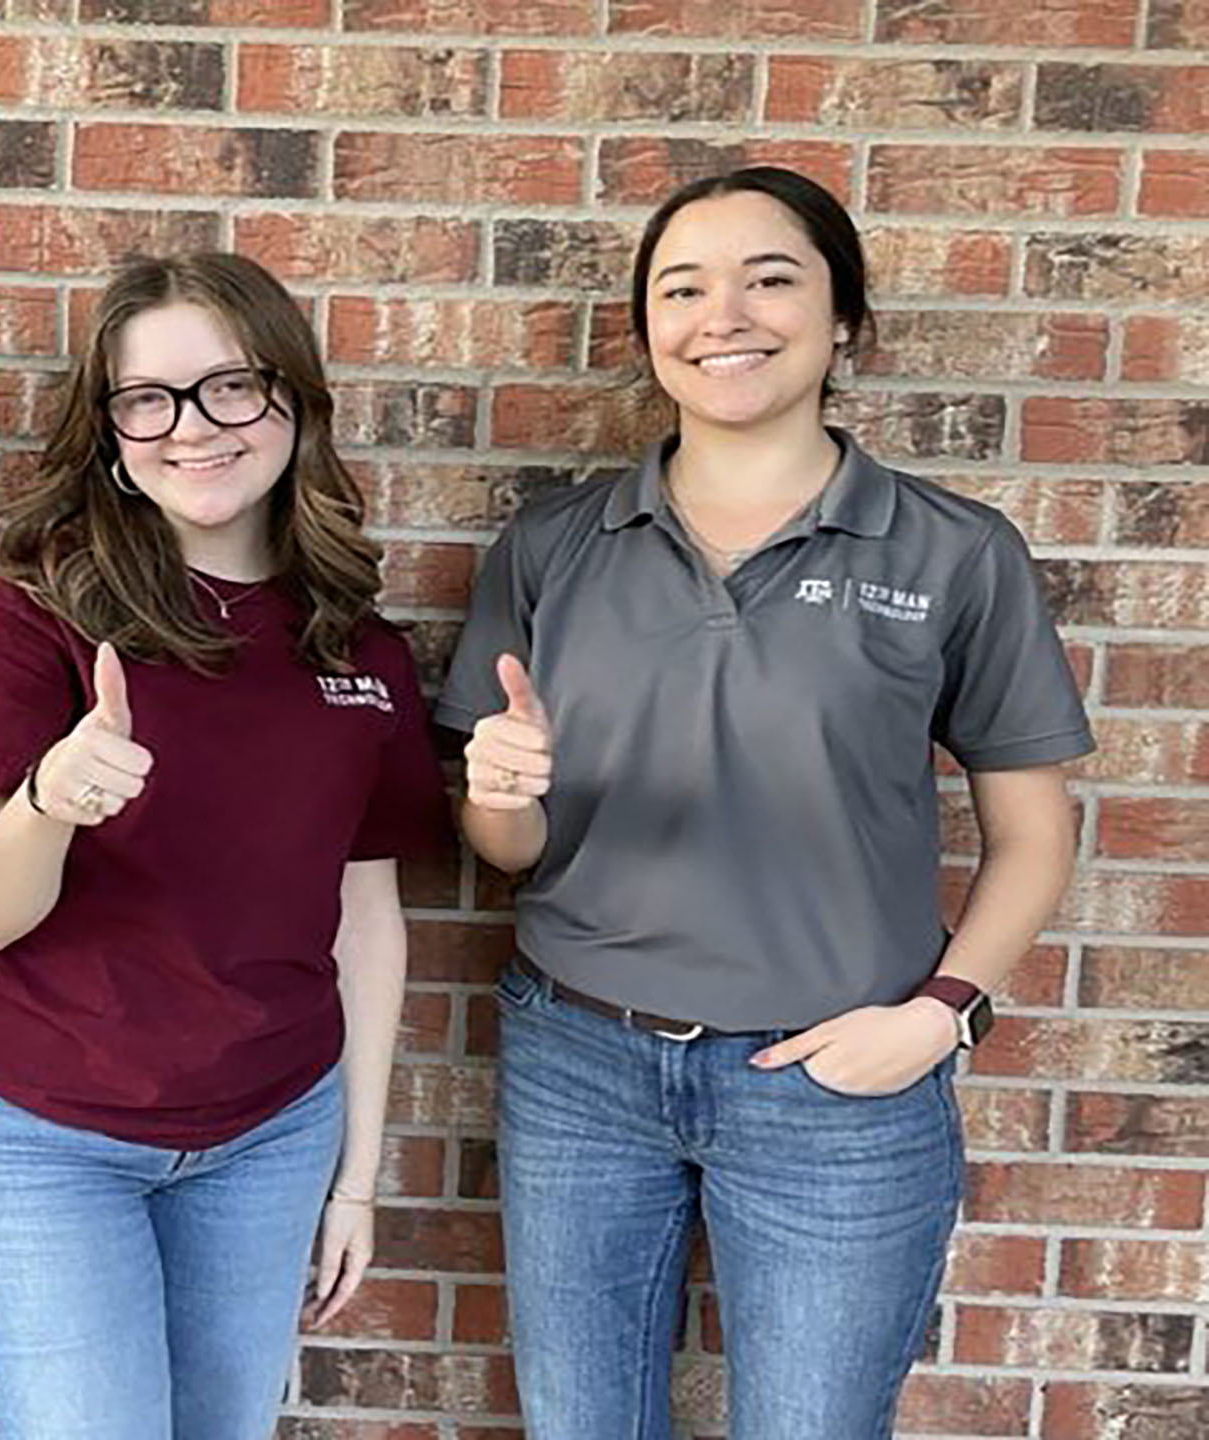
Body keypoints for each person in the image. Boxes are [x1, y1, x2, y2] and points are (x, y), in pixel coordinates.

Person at [438, 167, 1092, 1440]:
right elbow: (507, 852)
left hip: (837, 1088)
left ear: (845, 320)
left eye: (770, 278)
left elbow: (1034, 829)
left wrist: (941, 1015)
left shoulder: (951, 553)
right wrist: (498, 792)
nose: (721, 315)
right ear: (646, 334)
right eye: (682, 288)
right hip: (581, 1063)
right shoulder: (554, 545)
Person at [0, 251, 451, 1440]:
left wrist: (355, 1174)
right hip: (43, 1133)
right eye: (147, 399)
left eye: (229, 387)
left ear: (294, 403)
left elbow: (365, 919)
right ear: (108, 434)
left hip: (270, 1133)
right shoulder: (22, 620)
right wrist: (50, 798)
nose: (189, 427)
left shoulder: (361, 651)